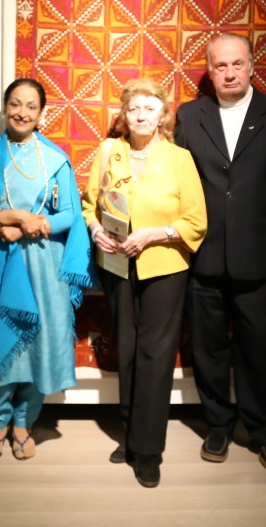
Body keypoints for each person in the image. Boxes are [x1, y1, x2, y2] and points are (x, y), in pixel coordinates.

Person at [0, 78, 93, 461]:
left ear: (42, 113)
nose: (22, 112)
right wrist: (4, 218)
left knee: (38, 348)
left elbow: (70, 215)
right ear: (5, 106)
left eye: (31, 106)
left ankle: (24, 422)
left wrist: (30, 225)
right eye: (15, 103)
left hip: (45, 268)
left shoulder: (55, 158)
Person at [174, 34, 266, 472]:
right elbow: (177, 184)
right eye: (220, 66)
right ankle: (217, 425)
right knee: (208, 348)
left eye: (237, 64)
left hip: (259, 257)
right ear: (209, 72)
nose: (229, 73)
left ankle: (264, 430)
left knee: (258, 349)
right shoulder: (189, 116)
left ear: (251, 66)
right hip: (202, 255)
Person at [82, 77, 207, 488]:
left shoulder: (180, 159)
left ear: (163, 116)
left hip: (165, 267)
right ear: (123, 114)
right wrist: (96, 230)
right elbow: (89, 205)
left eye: (149, 109)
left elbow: (195, 221)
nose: (140, 115)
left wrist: (154, 234)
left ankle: (149, 450)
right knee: (128, 351)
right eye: (134, 108)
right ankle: (130, 435)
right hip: (117, 264)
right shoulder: (108, 151)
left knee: (156, 355)